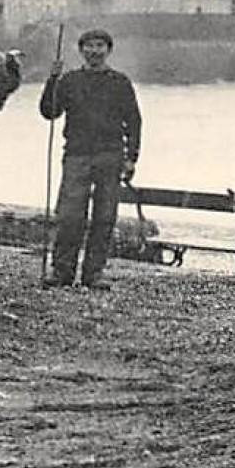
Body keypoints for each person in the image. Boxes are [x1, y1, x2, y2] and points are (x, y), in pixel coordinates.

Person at [39, 28, 141, 289]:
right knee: (69, 216)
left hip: (110, 156)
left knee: (104, 217)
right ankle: (62, 271)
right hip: (77, 155)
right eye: (89, 46)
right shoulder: (69, 80)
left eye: (100, 46)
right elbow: (49, 112)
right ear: (81, 50)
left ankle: (94, 273)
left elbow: (134, 122)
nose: (94, 51)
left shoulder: (120, 82)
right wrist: (52, 80)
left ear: (108, 50)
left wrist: (132, 158)